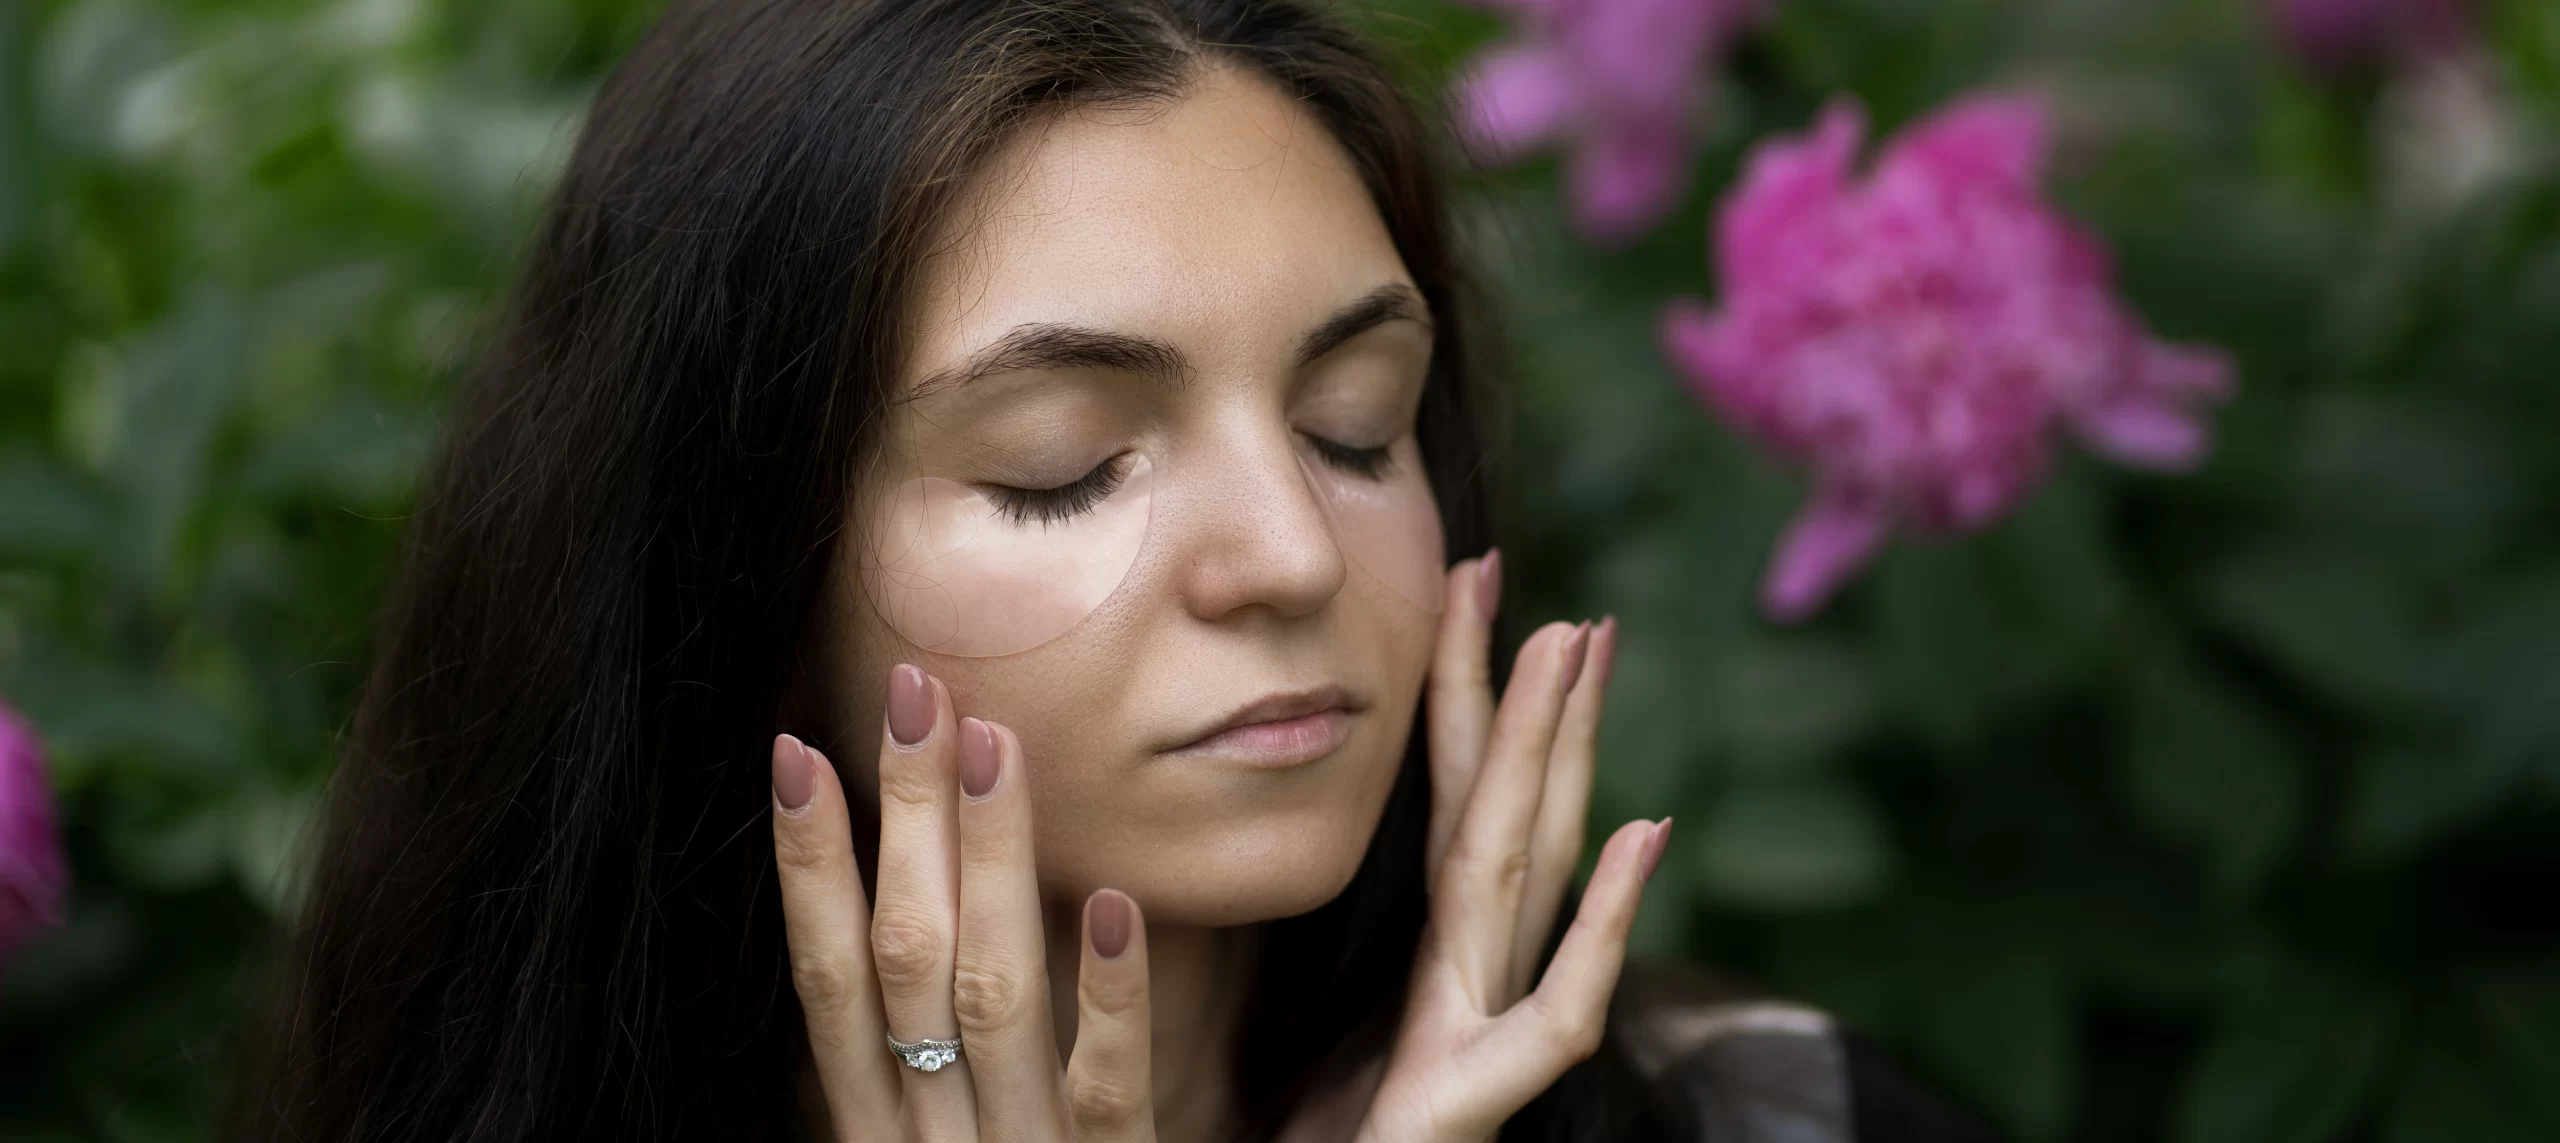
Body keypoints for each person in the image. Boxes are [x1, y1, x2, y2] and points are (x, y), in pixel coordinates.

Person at [228, 1, 1991, 1140]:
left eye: (1360, 424)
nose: (1294, 553)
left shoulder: (1772, 1111)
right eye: (1065, 469)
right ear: (730, 574)